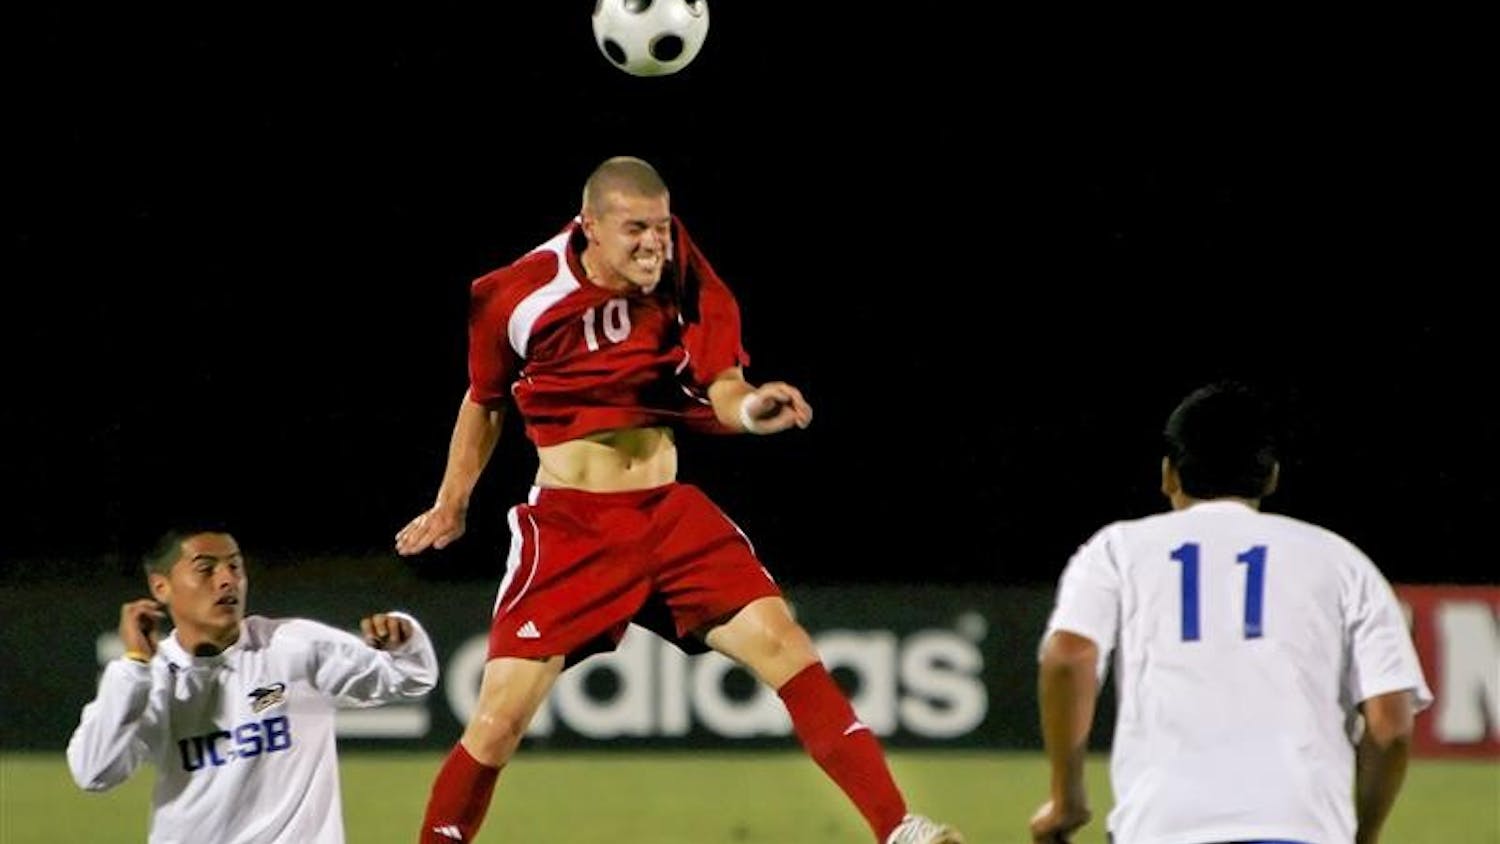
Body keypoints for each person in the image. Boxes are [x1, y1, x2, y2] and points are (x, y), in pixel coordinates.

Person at [395, 155, 962, 844]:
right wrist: (452, 504)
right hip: (572, 527)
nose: (654, 243)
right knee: (499, 720)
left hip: (668, 514)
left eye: (661, 227)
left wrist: (751, 410)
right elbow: (484, 402)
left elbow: (721, 376)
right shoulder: (514, 295)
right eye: (635, 229)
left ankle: (898, 828)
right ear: (590, 229)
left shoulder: (678, 266)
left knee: (787, 646)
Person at [1029, 381, 1433, 844]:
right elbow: (1392, 725)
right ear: (1271, 477)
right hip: (1303, 828)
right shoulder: (1342, 562)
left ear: (1168, 475)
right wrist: (1364, 834)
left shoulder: (1117, 550)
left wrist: (1067, 796)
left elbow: (1068, 658)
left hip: (1160, 828)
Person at [67, 525, 441, 843]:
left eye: (235, 566)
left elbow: (411, 678)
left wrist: (403, 641)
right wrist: (133, 667)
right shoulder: (152, 679)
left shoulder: (293, 646)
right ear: (161, 587)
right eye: (206, 568)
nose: (227, 579)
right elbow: (93, 772)